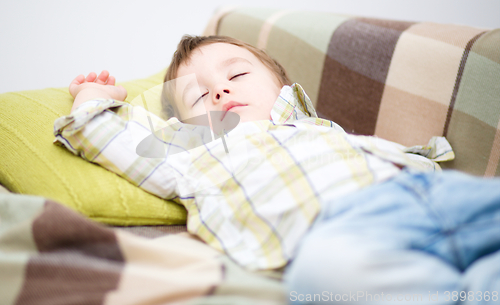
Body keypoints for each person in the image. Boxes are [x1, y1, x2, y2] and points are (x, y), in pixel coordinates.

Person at [55, 35, 500, 305]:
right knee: (321, 278)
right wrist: (93, 93)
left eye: (238, 75)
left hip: (424, 190)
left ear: (280, 86)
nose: (221, 90)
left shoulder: (312, 123)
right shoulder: (192, 154)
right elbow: (103, 135)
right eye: (198, 96)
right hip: (346, 230)